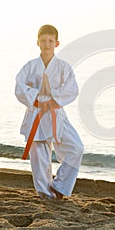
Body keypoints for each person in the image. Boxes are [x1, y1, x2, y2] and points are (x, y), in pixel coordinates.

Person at [15, 24, 84, 200]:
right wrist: (36, 99)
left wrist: (53, 100)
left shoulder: (63, 67)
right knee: (40, 157)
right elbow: (19, 88)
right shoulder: (30, 67)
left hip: (56, 112)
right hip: (36, 113)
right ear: (37, 42)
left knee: (76, 147)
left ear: (57, 43)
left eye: (50, 41)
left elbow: (72, 89)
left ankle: (60, 186)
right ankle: (46, 194)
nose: (47, 44)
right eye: (43, 41)